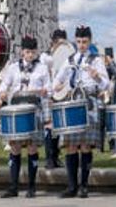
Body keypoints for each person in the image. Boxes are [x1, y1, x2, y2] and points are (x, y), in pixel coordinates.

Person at [52, 25, 109, 198]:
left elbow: (106, 84)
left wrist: (96, 76)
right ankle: (72, 186)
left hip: (89, 102)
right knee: (70, 145)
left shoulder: (96, 60)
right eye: (78, 41)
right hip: (72, 102)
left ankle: (84, 185)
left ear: (90, 41)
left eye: (84, 41)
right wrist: (58, 86)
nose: (82, 45)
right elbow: (57, 80)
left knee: (85, 145)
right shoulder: (70, 60)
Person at [0, 35, 49, 198]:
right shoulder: (13, 68)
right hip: (16, 111)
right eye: (27, 52)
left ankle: (32, 187)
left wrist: (45, 93)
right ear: (22, 52)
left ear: (36, 52)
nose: (30, 55)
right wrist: (2, 93)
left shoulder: (42, 68)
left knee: (32, 147)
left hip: (34, 111)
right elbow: (4, 85)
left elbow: (49, 88)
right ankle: (13, 187)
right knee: (15, 147)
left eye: (32, 52)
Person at [40, 28, 69, 170]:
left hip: (61, 94)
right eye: (59, 42)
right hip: (49, 95)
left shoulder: (67, 55)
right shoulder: (45, 57)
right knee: (49, 126)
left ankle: (56, 156)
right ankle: (49, 158)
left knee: (58, 127)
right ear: (54, 42)